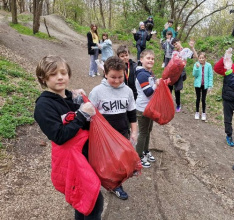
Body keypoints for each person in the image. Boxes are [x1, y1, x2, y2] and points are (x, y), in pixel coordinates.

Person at [34, 55, 103, 219]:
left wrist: (77, 101)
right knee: (94, 201)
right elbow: (58, 135)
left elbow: (81, 124)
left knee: (82, 200)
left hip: (83, 158)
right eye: (53, 74)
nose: (59, 77)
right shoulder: (43, 106)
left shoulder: (67, 97)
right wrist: (81, 114)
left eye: (63, 73)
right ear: (43, 78)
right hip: (70, 162)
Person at [89, 56, 137, 200]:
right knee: (105, 162)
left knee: (119, 162)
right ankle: (98, 184)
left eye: (120, 77)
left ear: (124, 73)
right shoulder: (97, 91)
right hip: (104, 137)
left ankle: (116, 185)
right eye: (112, 77)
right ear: (105, 73)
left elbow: (131, 113)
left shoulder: (127, 91)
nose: (116, 81)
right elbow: (89, 114)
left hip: (122, 132)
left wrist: (134, 131)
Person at [135, 49, 160, 168]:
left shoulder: (149, 73)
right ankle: (137, 157)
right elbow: (148, 92)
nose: (151, 60)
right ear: (141, 60)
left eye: (152, 58)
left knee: (148, 131)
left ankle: (145, 151)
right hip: (142, 108)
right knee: (143, 132)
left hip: (150, 108)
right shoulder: (141, 75)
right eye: (148, 58)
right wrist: (156, 84)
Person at [170, 38, 198, 112]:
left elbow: (195, 56)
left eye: (176, 43)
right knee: (169, 86)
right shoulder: (174, 52)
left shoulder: (185, 50)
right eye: (174, 45)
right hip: (173, 71)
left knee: (177, 89)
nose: (176, 46)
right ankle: (168, 103)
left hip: (181, 71)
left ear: (179, 42)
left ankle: (178, 105)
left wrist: (192, 47)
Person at [192, 52, 213, 120]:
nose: (201, 59)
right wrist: (197, 68)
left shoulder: (208, 65)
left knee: (203, 99)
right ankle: (197, 112)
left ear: (205, 58)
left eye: (202, 58)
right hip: (198, 84)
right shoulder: (196, 64)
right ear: (198, 58)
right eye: (200, 58)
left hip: (205, 85)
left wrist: (210, 85)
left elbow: (210, 75)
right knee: (198, 98)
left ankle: (204, 113)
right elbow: (194, 75)